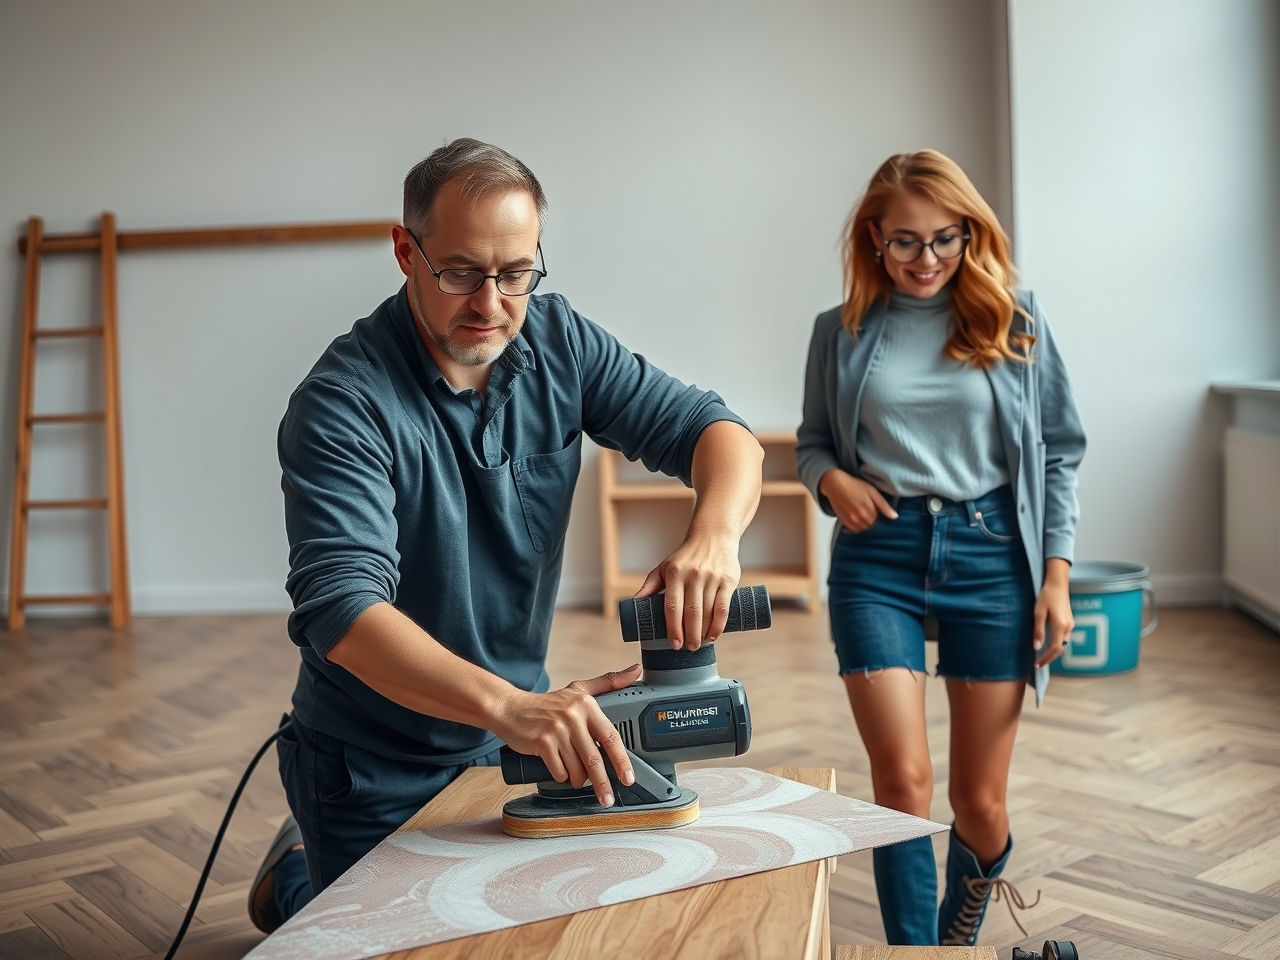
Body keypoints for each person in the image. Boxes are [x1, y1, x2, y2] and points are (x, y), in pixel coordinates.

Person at [248, 138, 764, 932]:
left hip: (511, 730)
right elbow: (342, 613)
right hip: (370, 760)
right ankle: (299, 877)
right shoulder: (341, 402)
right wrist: (512, 707)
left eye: (516, 273)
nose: (491, 302)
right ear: (404, 251)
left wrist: (715, 536)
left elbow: (717, 432)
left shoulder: (559, 341)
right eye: (460, 271)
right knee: (374, 938)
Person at [795, 150, 1085, 946]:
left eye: (945, 240)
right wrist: (831, 483)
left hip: (994, 558)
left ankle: (959, 924)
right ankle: (914, 952)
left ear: (970, 234)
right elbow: (812, 444)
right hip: (877, 558)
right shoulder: (841, 332)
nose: (927, 261)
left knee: (979, 805)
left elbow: (1059, 451)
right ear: (874, 240)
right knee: (901, 784)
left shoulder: (1016, 321)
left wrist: (1056, 578)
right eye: (906, 242)